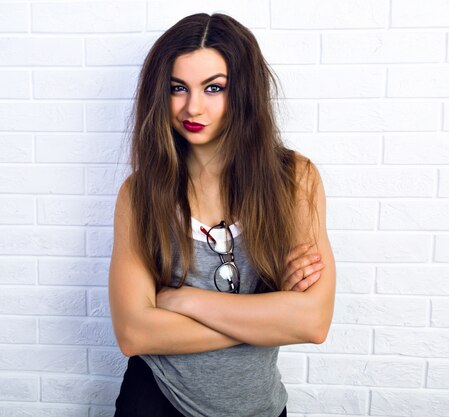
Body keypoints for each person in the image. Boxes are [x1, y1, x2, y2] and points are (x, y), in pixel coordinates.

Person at [108, 12, 336, 417]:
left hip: (260, 407)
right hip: (156, 403)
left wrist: (184, 301)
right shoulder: (140, 194)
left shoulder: (294, 180)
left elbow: (312, 323)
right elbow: (133, 333)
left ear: (244, 92)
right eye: (178, 88)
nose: (192, 106)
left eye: (214, 88)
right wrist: (269, 317)